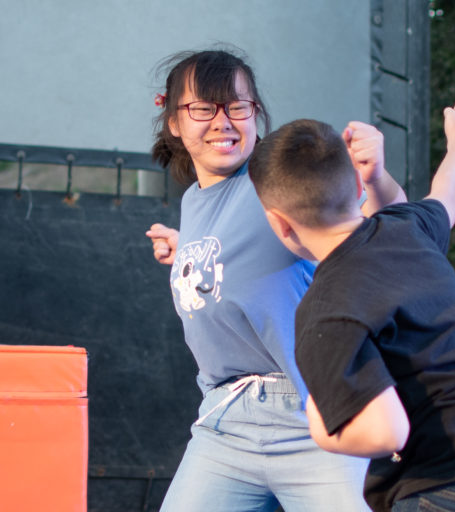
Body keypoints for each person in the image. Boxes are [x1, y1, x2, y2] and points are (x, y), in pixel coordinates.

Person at [247, 101, 455, 512]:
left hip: (453, 483)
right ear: (356, 187)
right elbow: (448, 195)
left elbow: (386, 431)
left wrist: (320, 427)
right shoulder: (407, 228)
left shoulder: (324, 310)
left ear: (279, 222)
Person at [145, 48, 406, 512]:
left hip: (312, 414)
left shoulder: (276, 176)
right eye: (203, 108)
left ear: (256, 115)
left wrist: (378, 177)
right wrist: (185, 249)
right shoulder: (194, 203)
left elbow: (388, 227)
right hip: (226, 423)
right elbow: (242, 261)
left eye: (237, 106)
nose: (223, 121)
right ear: (174, 121)